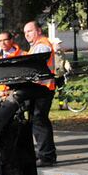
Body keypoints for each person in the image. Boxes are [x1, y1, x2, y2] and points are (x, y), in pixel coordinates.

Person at [22, 20, 57, 167]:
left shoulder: (42, 46)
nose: (27, 35)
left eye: (30, 31)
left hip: (43, 89)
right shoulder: (36, 46)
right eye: (25, 32)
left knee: (39, 120)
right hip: (39, 89)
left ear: (39, 31)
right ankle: (44, 152)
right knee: (37, 121)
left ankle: (47, 156)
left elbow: (34, 67)